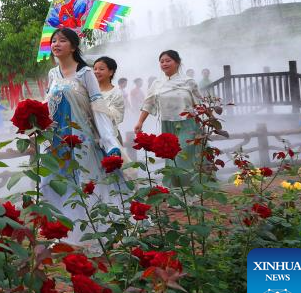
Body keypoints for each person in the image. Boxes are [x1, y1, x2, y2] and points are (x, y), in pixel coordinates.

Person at [43, 29, 123, 245]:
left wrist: (110, 142)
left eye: (62, 40)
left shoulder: (85, 73)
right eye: (54, 41)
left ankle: (98, 235)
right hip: (57, 140)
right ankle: (67, 234)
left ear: (74, 47)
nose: (56, 44)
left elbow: (98, 108)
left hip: (81, 140)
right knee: (56, 183)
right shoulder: (52, 74)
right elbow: (48, 106)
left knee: (87, 183)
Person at [133, 50, 202, 186]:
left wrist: (209, 120)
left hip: (187, 124)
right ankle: (175, 191)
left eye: (168, 60)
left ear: (177, 62)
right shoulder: (157, 83)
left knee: (183, 157)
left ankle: (189, 192)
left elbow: (200, 103)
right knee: (171, 158)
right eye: (162, 61)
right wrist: (140, 122)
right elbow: (148, 103)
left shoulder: (188, 82)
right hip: (167, 125)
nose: (164, 63)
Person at [93, 57, 128, 160]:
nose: (96, 72)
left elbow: (117, 117)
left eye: (101, 69)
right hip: (90, 137)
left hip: (111, 137)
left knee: (114, 169)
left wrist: (97, 108)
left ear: (111, 72)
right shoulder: (88, 91)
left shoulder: (116, 93)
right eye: (95, 69)